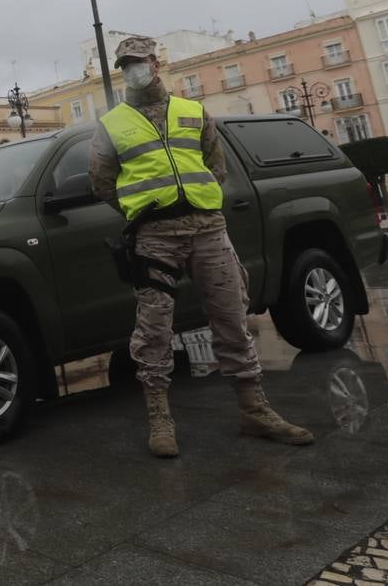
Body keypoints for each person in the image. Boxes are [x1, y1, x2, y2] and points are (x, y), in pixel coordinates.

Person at [89, 36, 313, 458]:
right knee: (154, 327)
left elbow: (217, 166)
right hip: (155, 235)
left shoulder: (193, 111)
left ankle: (255, 410)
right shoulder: (112, 124)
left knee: (231, 315)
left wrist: (193, 197)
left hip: (208, 229)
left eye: (137, 61)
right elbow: (101, 182)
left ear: (155, 63)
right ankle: (160, 418)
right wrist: (142, 208)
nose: (131, 69)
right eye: (124, 65)